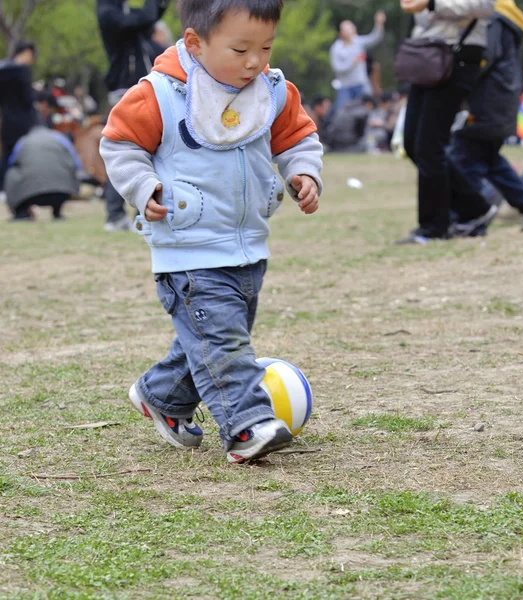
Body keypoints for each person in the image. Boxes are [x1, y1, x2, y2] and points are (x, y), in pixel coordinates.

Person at [100, 0, 323, 463]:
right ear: (195, 43)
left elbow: (298, 137)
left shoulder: (272, 91)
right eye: (240, 48)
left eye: (265, 46)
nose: (255, 61)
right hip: (188, 250)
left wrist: (303, 171)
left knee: (210, 337)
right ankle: (246, 426)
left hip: (247, 245)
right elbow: (119, 143)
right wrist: (143, 187)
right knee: (223, 342)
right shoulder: (160, 94)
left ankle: (161, 395)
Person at [448, 0, 523, 234]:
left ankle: (471, 217)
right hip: (499, 100)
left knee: (462, 158)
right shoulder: (504, 17)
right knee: (489, 161)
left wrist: (456, 74)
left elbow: (483, 58)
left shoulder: (493, 19)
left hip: (488, 102)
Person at [397, 0, 495, 245]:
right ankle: (475, 209)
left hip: (457, 58)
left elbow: (484, 5)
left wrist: (432, 3)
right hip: (428, 55)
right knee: (411, 143)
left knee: (429, 146)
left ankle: (434, 227)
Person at [96, 0, 170, 232]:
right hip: (124, 90)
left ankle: (144, 211)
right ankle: (115, 215)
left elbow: (151, 17)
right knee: (123, 152)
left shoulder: (126, 13)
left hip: (144, 87)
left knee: (153, 151)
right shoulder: (108, 12)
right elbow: (145, 19)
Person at [5, 126, 82, 221]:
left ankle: (22, 212)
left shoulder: (23, 141)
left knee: (11, 173)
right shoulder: (60, 138)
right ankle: (57, 212)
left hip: (30, 195)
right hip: (62, 192)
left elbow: (11, 162)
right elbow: (77, 163)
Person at [329, 11, 386, 113]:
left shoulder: (358, 42)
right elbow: (337, 68)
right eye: (347, 28)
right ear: (341, 32)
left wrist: (379, 24)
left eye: (351, 27)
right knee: (342, 112)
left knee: (366, 111)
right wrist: (353, 63)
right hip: (345, 87)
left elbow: (374, 38)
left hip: (361, 85)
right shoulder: (336, 48)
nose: (351, 29)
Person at [0, 41, 37, 191]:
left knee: (7, 155)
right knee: (24, 155)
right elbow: (28, 99)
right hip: (24, 121)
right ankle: (24, 188)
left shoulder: (2, 70)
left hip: (7, 120)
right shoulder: (23, 72)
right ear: (27, 53)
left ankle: (3, 187)